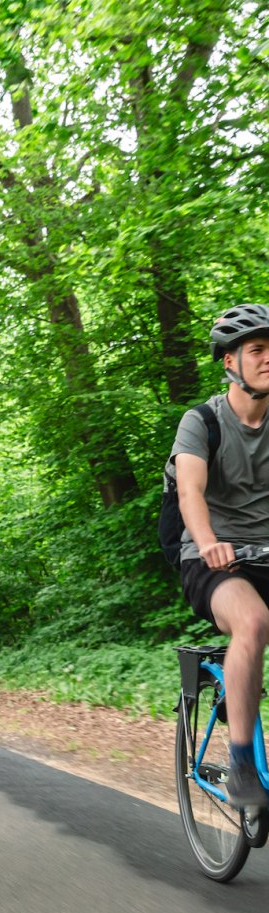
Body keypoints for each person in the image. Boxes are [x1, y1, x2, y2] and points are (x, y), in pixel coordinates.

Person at [172, 302, 269, 809]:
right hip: (212, 557)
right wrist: (208, 540)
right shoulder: (202, 421)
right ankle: (241, 767)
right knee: (252, 622)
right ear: (230, 362)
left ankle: (240, 684)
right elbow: (190, 492)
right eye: (258, 350)